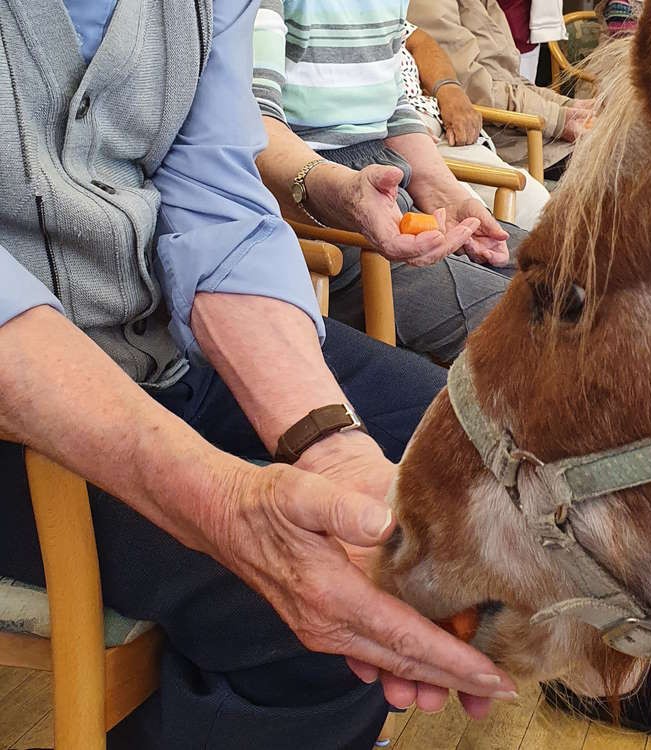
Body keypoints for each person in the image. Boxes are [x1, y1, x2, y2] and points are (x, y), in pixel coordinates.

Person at [0, 1, 517, 748]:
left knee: (473, 454)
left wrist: (329, 445)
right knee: (303, 624)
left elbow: (216, 202)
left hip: (159, 340)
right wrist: (223, 501)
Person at [252, 0, 521, 364]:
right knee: (535, 327)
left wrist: (447, 196)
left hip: (387, 188)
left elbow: (392, 108)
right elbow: (253, 121)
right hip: (302, 206)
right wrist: (345, 196)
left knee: (580, 278)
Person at [407, 0, 594, 174]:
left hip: (522, 134)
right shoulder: (430, 5)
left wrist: (570, 106)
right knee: (610, 161)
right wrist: (559, 118)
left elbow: (510, 76)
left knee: (613, 142)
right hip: (498, 141)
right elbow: (473, 90)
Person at [401, 22, 551, 230]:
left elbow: (419, 39)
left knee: (535, 203)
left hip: (441, 125)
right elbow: (483, 86)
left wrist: (448, 88)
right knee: (471, 219)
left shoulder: (380, 11)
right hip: (391, 134)